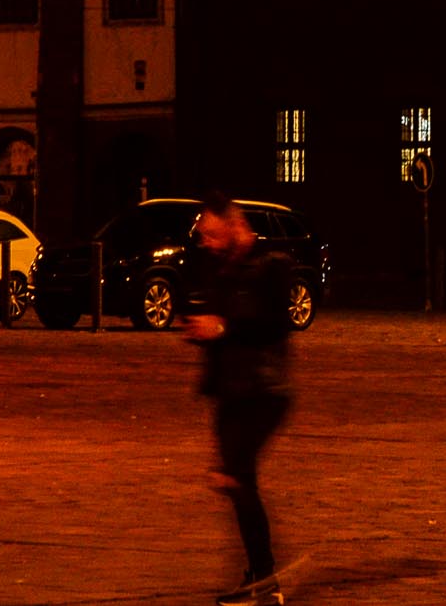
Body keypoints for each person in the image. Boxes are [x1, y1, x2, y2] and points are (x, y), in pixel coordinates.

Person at [184, 193, 296, 606]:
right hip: (230, 392)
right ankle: (258, 572)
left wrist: (221, 328)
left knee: (237, 479)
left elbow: (273, 324)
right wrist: (200, 329)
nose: (207, 244)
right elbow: (219, 319)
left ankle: (265, 581)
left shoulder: (271, 265)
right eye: (203, 237)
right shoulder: (220, 267)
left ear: (236, 226)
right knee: (234, 482)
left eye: (213, 235)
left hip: (263, 391)